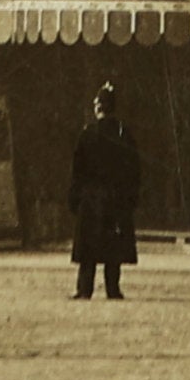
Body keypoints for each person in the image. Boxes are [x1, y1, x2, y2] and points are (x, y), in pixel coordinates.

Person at [69, 83, 139, 301]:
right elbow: (133, 169)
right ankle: (113, 288)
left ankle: (84, 288)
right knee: (113, 247)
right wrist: (131, 198)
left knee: (88, 247)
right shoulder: (123, 133)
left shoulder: (88, 133)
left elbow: (77, 170)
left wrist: (74, 197)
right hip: (116, 197)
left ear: (99, 107)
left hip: (91, 198)